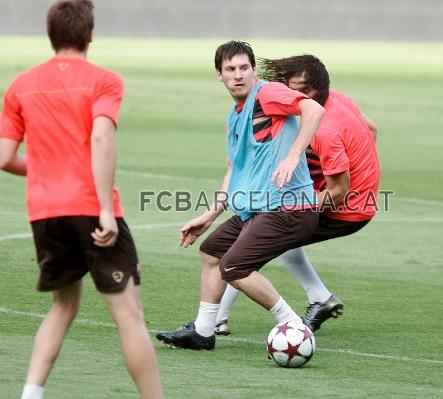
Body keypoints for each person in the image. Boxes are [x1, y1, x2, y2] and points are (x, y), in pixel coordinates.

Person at [0, 1, 163, 398]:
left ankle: (30, 394)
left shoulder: (21, 85)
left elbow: (4, 156)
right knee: (128, 316)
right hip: (91, 209)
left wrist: (44, 171)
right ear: (90, 34)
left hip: (46, 213)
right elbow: (102, 137)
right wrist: (105, 210)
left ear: (51, 35)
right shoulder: (104, 80)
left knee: (63, 306)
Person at [155, 41, 325, 350]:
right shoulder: (234, 118)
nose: (238, 75)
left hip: (291, 208)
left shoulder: (267, 94)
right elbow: (235, 172)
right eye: (230, 69)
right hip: (260, 210)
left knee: (233, 267)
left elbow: (313, 109)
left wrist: (292, 155)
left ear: (253, 71)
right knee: (211, 252)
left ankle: (295, 328)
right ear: (219, 75)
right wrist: (210, 214)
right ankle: (204, 330)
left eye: (244, 68)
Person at [214, 54, 380, 335]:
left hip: (348, 207)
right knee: (268, 232)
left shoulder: (323, 130)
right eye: (291, 88)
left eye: (303, 91)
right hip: (358, 193)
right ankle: (319, 297)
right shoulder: (338, 99)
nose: (294, 96)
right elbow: (372, 130)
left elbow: (339, 191)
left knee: (257, 235)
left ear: (318, 89)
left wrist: (300, 204)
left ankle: (218, 318)